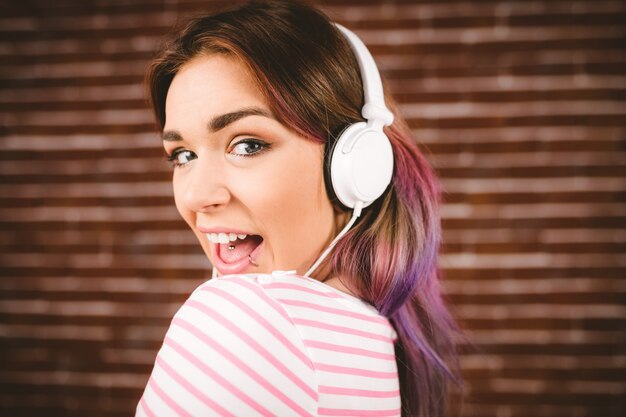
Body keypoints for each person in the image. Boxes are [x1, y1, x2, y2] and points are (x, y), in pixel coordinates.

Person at [137, 1, 465, 416]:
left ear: (355, 166)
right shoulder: (373, 337)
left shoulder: (238, 321)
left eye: (247, 145)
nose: (196, 197)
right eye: (182, 155)